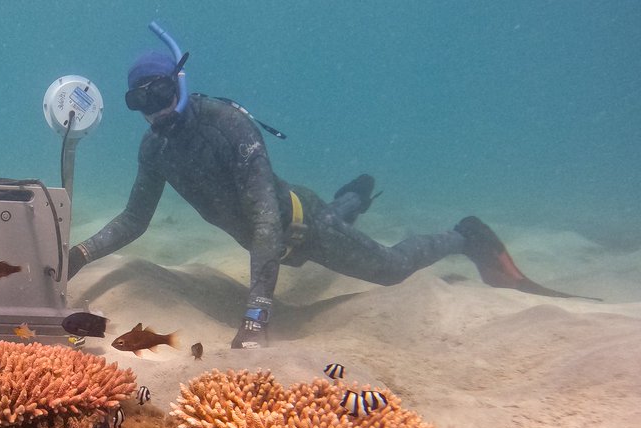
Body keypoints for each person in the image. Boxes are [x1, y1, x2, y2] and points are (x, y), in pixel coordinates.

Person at [66, 50, 586, 348]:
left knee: (390, 268)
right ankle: (353, 196)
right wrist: (78, 256)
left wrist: (256, 315)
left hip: (301, 226)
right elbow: (134, 219)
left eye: (158, 93)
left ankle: (462, 236)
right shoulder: (154, 149)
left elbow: (265, 220)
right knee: (337, 218)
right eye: (139, 101)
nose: (153, 110)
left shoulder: (229, 125)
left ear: (179, 82)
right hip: (280, 237)